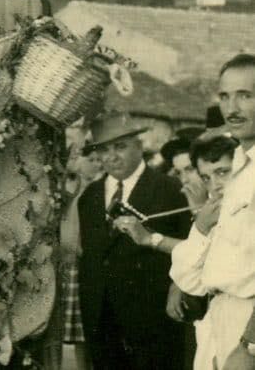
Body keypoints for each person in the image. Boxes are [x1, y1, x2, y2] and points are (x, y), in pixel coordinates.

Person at [75, 112, 191, 370]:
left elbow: (191, 248)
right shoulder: (90, 196)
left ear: (140, 146)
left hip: (153, 319)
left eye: (120, 146)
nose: (112, 156)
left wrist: (178, 285)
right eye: (104, 150)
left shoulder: (170, 189)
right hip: (101, 319)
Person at [166, 55, 255, 370]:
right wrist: (200, 229)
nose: (232, 108)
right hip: (218, 322)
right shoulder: (238, 170)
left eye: (245, 95)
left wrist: (250, 346)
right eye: (225, 96)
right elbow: (190, 280)